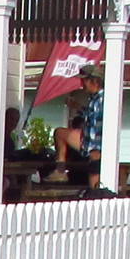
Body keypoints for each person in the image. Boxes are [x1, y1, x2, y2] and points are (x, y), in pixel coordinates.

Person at [53, 62, 109, 190]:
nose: (81, 84)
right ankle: (60, 170)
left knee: (94, 185)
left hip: (95, 148)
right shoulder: (94, 98)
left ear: (93, 81)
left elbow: (100, 125)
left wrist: (96, 149)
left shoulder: (103, 98)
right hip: (87, 143)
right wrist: (77, 107)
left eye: (84, 81)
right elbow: (90, 116)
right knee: (60, 133)